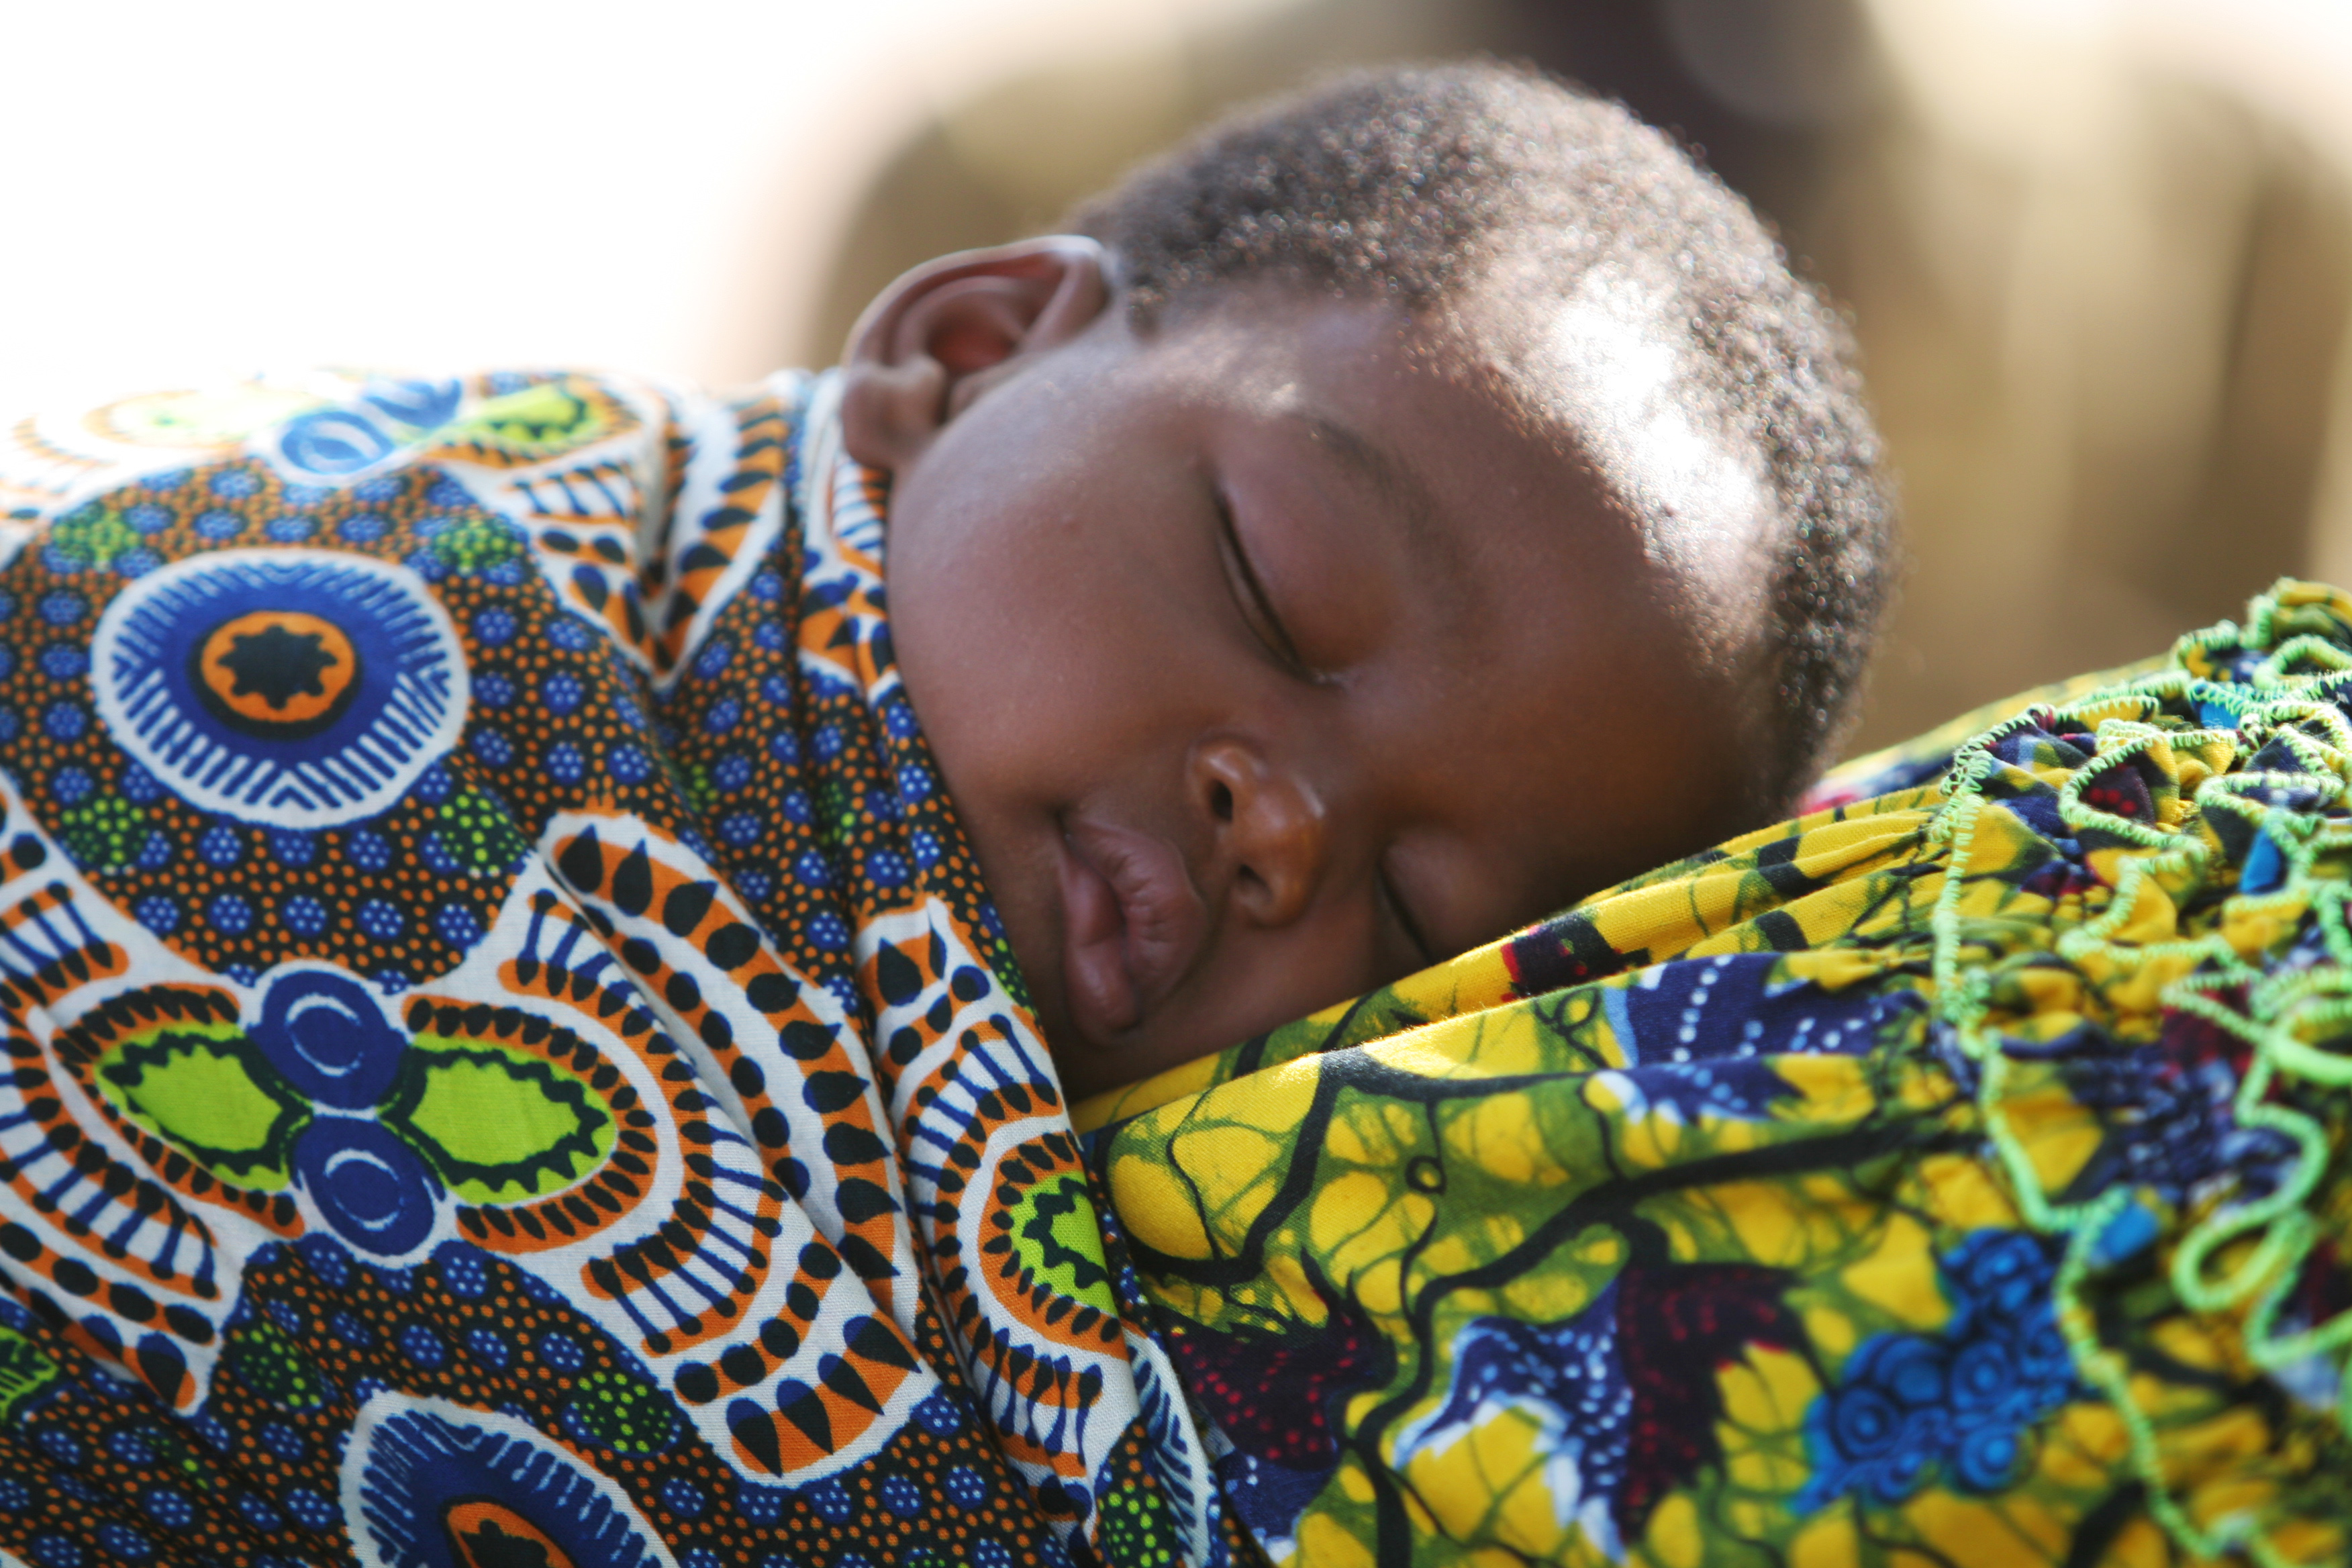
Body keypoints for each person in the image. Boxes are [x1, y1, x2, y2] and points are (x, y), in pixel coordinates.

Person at [9, 57, 2333, 1568]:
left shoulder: (2216, 218)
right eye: (1277, 589)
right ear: (972, 341)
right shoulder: (391, 612)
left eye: (1423, 908)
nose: (1282, 829)